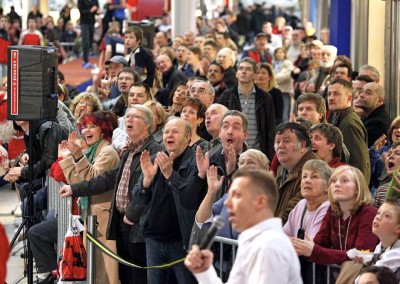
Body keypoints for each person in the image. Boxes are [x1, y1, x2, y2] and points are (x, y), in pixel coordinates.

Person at [60, 105, 163, 284]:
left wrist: (131, 215)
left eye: (135, 117)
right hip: (121, 222)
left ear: (147, 125)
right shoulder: (128, 151)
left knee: (138, 276)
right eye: (128, 116)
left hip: (137, 224)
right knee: (125, 274)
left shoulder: (153, 150)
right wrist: (74, 189)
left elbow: (150, 190)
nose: (128, 119)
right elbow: (108, 180)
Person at [31, 111, 120, 283]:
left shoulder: (107, 152)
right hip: (90, 217)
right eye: (85, 126)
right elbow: (76, 182)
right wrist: (65, 158)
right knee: (94, 271)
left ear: (104, 130)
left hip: (102, 218)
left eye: (92, 126)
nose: (87, 130)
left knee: (104, 273)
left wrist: (78, 156)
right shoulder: (94, 150)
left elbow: (91, 181)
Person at [184, 168, 302, 283]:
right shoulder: (254, 241)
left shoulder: (269, 247)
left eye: (237, 195)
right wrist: (205, 272)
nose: (227, 202)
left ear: (260, 201)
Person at [133, 117, 208, 284]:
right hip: (153, 238)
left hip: (181, 241)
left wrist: (170, 174)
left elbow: (189, 199)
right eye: (166, 132)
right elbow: (138, 198)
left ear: (188, 137)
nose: (169, 135)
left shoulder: (195, 162)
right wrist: (146, 181)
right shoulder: (155, 158)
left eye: (175, 131)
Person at [291, 165, 379, 266]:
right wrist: (305, 247)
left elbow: (361, 255)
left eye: (344, 180)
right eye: (333, 181)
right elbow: (320, 243)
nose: (337, 184)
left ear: (357, 189)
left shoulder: (369, 213)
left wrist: (315, 251)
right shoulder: (333, 210)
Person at [284, 159, 331, 283]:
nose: (307, 180)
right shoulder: (301, 204)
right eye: (304, 176)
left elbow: (310, 245)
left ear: (327, 187)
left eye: (314, 176)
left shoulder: (328, 207)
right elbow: (283, 235)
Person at [219, 57, 276, 160]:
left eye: (248, 69)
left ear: (255, 75)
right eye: (241, 68)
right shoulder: (227, 96)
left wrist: (270, 156)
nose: (244, 72)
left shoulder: (265, 97)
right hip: (233, 152)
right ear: (236, 73)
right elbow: (221, 126)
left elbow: (270, 129)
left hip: (258, 153)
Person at [274, 122, 319, 223]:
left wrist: (270, 229)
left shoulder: (314, 171)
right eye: (277, 142)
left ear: (302, 145)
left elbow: (293, 212)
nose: (280, 146)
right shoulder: (282, 169)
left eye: (286, 141)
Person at [328, 78, 370, 183]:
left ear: (349, 98)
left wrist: (356, 192)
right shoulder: (341, 118)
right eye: (329, 94)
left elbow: (358, 163)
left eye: (336, 94)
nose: (331, 98)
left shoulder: (349, 123)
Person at [356, 82, 392, 147]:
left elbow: (358, 148)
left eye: (368, 93)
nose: (361, 95)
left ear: (379, 101)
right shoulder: (367, 116)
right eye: (362, 91)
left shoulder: (379, 123)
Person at [273, 47, 294, 123]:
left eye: (281, 52)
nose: (279, 54)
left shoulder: (287, 63)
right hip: (274, 90)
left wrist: (273, 79)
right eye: (277, 52)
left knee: (284, 113)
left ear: (284, 54)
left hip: (284, 90)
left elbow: (287, 74)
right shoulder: (273, 63)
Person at [78, 0, 99, 68]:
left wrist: (97, 11)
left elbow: (96, 8)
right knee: (85, 41)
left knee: (90, 41)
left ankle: (86, 54)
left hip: (92, 22)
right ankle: (85, 60)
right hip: (84, 22)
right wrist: (91, 10)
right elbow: (81, 11)